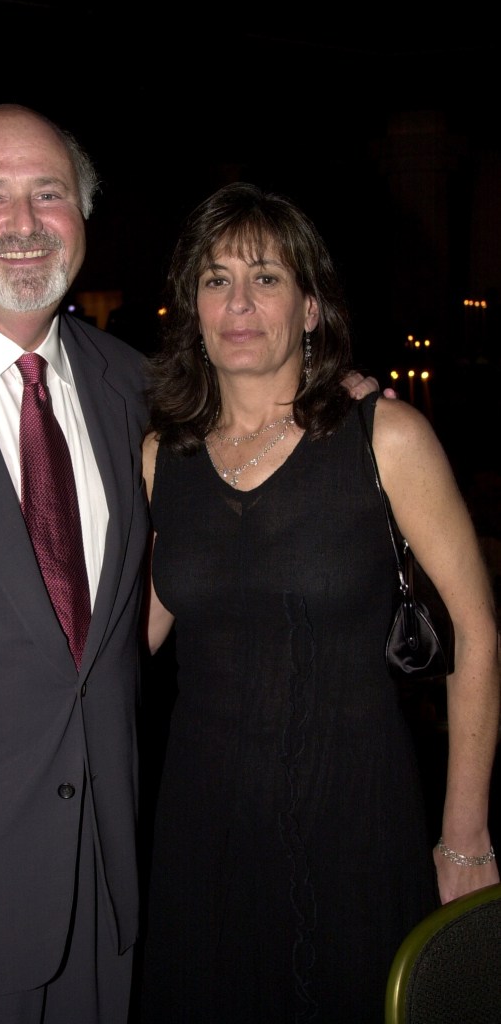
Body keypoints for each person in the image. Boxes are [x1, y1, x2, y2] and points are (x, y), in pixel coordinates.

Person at [0, 105, 382, 1023]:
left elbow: (250, 415)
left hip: (106, 896)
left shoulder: (133, 387)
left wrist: (333, 388)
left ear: (82, 218)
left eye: (48, 194)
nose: (23, 223)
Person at [138, 182, 500, 1023]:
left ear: (308, 306)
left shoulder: (384, 437)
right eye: (215, 278)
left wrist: (465, 836)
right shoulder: (163, 458)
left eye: (265, 278)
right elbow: (122, 643)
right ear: (190, 306)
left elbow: (477, 633)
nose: (238, 303)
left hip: (354, 820)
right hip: (202, 828)